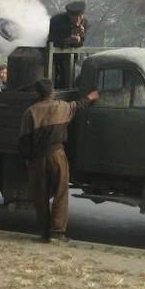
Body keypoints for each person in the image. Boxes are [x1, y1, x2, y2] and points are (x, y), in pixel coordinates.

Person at [19, 78, 99, 243]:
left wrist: (28, 160)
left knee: (40, 196)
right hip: (57, 155)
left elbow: (24, 141)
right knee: (61, 193)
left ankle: (44, 232)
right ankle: (57, 232)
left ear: (37, 93)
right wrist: (91, 97)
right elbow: (78, 105)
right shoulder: (62, 107)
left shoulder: (30, 112)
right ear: (52, 91)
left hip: (37, 159)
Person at [48, 1, 87, 88]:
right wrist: (67, 40)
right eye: (74, 17)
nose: (77, 20)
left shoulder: (85, 22)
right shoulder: (56, 20)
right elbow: (51, 40)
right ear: (69, 16)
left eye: (79, 17)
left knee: (69, 77)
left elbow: (81, 42)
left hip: (71, 56)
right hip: (55, 56)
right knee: (54, 79)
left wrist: (79, 39)